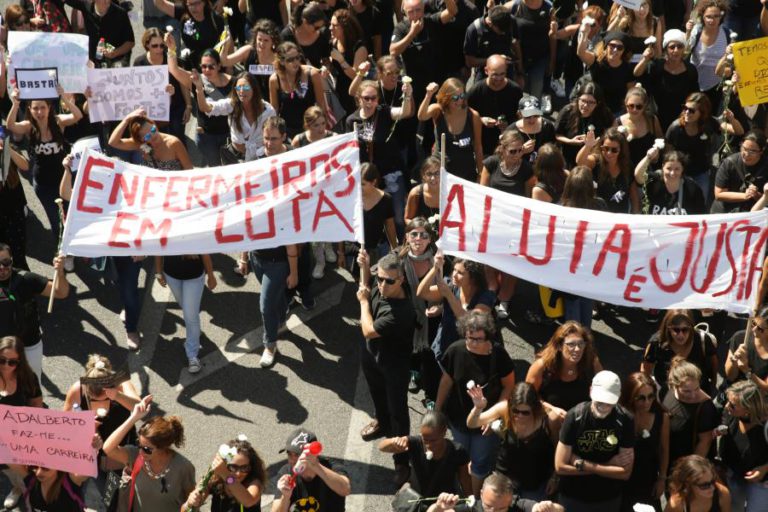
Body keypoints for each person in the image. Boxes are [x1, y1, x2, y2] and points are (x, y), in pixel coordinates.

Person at [236, 117, 299, 369]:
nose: (268, 143)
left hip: (280, 255)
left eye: (273, 138)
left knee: (264, 305)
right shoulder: (258, 165)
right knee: (275, 297)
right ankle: (281, 317)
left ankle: (269, 344)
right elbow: (247, 220)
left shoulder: (296, 162)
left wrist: (293, 270)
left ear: (283, 137)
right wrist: (243, 256)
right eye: (265, 138)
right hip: (258, 255)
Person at [435, 310, 516, 496]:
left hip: (484, 424)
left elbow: (509, 387)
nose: (471, 342)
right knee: (461, 456)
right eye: (468, 337)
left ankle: (473, 495)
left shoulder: (499, 356)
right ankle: (463, 489)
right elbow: (446, 381)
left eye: (478, 339)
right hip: (458, 419)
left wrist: (493, 416)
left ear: (488, 337)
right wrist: (438, 409)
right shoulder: (456, 350)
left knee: (480, 461)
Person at [356, 251, 416, 486]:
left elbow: (369, 330)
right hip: (373, 356)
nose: (381, 285)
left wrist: (363, 302)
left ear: (401, 279)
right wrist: (365, 266)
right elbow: (366, 284)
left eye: (388, 281)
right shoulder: (382, 286)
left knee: (398, 412)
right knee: (377, 395)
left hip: (394, 365)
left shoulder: (400, 311)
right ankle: (381, 422)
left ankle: (402, 462)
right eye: (379, 278)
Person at [6, 85, 82, 242]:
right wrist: (15, 104)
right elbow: (11, 126)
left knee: (72, 214)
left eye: (42, 108)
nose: (39, 112)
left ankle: (77, 244)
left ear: (49, 108)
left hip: (64, 180)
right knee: (56, 220)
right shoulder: (28, 126)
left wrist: (65, 98)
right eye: (35, 108)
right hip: (43, 184)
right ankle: (64, 250)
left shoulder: (58, 121)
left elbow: (77, 116)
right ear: (30, 109)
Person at [554, 370, 635, 512]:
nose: (603, 406)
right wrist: (608, 464)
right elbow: (560, 466)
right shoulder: (575, 416)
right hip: (573, 496)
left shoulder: (625, 420)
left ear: (618, 397)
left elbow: (625, 473)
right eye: (600, 400)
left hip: (607, 499)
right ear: (591, 391)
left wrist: (582, 464)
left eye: (608, 402)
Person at [103, 396, 196, 512]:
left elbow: (193, 502)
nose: (141, 452)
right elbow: (108, 449)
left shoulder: (183, 467)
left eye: (147, 449)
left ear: (162, 447)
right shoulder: (135, 456)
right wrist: (133, 418)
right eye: (139, 444)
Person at [345, 79, 414, 237]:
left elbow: (404, 112)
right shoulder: (352, 120)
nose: (370, 102)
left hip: (390, 171)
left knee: (398, 217)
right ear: (359, 98)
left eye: (374, 98)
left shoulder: (383, 112)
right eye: (366, 98)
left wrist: (407, 96)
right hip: (367, 176)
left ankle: (403, 248)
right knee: (372, 217)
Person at [467, 382, 557, 501]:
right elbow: (472, 423)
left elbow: (559, 448)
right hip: (506, 475)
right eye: (515, 411)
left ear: (535, 408)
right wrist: (478, 408)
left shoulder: (549, 419)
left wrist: (555, 477)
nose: (519, 416)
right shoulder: (504, 409)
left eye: (525, 412)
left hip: (535, 480)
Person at [480, 129, 536, 320]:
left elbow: (530, 199)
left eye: (521, 150)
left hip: (515, 225)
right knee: (491, 260)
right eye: (513, 151)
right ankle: (491, 290)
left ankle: (504, 299)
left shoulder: (527, 169)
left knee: (510, 263)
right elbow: (482, 192)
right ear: (502, 150)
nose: (518, 155)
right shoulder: (491, 163)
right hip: (494, 221)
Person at [63, 354, 141, 477]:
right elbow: (65, 422)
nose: (100, 404)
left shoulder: (121, 384)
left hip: (121, 447)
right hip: (92, 450)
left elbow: (139, 407)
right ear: (86, 388)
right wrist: (84, 426)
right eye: (93, 400)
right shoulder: (78, 389)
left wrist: (118, 396)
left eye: (106, 398)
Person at [0, 243, 69, 378]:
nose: (1, 267)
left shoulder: (25, 279)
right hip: (1, 347)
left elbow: (61, 292)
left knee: (32, 383)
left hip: (29, 345)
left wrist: (60, 272)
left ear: (12, 260)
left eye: (5, 262)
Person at [378, 411, 471, 504]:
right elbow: (382, 447)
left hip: (445, 502)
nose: (429, 445)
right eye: (425, 439)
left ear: (444, 431)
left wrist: (471, 500)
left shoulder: (457, 451)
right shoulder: (415, 443)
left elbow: (465, 479)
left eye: (434, 440)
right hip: (417, 500)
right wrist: (394, 442)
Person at [417, 254, 494, 363]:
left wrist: (449, 295)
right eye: (454, 270)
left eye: (460, 273)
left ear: (473, 277)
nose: (454, 275)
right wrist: (435, 268)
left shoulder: (485, 297)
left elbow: (471, 324)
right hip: (443, 346)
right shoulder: (451, 286)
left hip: (466, 353)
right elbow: (422, 293)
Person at [526, 321, 603, 428]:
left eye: (581, 344)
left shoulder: (591, 362)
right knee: (554, 418)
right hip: (554, 421)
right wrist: (551, 409)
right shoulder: (541, 367)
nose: (577, 349)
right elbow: (528, 397)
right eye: (571, 344)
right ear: (559, 346)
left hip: (584, 417)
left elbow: (604, 388)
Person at [666, 92, 742, 202]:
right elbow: (668, 154)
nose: (687, 112)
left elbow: (738, 131)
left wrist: (732, 119)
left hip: (701, 174)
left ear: (702, 113)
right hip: (679, 173)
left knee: (700, 204)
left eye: (691, 110)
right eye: (685, 108)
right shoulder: (675, 127)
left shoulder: (709, 123)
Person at [558, 167, 607, 327]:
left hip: (568, 267)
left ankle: (574, 336)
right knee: (586, 299)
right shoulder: (599, 205)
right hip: (590, 265)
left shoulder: (560, 208)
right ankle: (585, 336)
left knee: (571, 304)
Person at [399, 218, 440, 405]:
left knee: (430, 357)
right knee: (410, 348)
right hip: (408, 315)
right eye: (413, 234)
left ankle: (431, 396)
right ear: (407, 237)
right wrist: (365, 264)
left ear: (430, 239)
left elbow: (453, 291)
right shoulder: (398, 260)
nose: (418, 238)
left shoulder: (440, 260)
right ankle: (413, 372)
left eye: (424, 235)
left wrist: (440, 307)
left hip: (433, 316)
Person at [168, 48, 233, 167]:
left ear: (219, 66)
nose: (207, 70)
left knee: (232, 168)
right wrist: (171, 49)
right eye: (203, 66)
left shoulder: (233, 82)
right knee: (215, 169)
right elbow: (174, 69)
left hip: (229, 135)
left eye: (211, 66)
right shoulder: (197, 80)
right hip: (207, 137)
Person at [0, 335, 44, 509]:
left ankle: (31, 498)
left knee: (26, 474)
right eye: (2, 360)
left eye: (12, 362)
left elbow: (37, 405)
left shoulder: (27, 378)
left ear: (20, 361)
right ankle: (17, 488)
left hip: (20, 439)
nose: (5, 366)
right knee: (9, 471)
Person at [389, 0, 458, 110]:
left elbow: (452, 12)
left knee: (437, 115)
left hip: (437, 82)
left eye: (418, 10)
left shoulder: (431, 20)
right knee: (415, 120)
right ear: (405, 12)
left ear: (423, 9)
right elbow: (393, 51)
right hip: (415, 84)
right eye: (411, 12)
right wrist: (412, 33)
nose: (415, 15)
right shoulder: (401, 28)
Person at [194, 70, 277, 161]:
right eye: (238, 88)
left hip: (261, 157)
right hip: (235, 158)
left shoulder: (268, 111)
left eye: (245, 87)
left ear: (254, 89)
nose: (241, 91)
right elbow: (206, 108)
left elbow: (273, 137)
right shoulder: (232, 104)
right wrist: (199, 88)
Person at [155, 254, 217, 373]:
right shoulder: (165, 233)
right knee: (186, 308)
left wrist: (211, 275)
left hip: (194, 276)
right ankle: (195, 332)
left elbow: (205, 252)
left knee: (190, 315)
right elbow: (159, 248)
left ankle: (192, 355)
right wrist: (158, 272)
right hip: (171, 275)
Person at [620, 372, 670, 512]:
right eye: (641, 398)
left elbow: (663, 449)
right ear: (630, 396)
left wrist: (662, 479)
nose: (647, 402)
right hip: (622, 478)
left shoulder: (661, 417)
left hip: (647, 478)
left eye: (651, 396)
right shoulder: (620, 415)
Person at [418, 78, 483, 183]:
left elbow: (478, 147)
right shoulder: (438, 110)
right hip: (441, 171)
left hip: (465, 172)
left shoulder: (473, 116)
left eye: (462, 96)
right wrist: (428, 95)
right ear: (446, 98)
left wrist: (480, 174)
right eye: (455, 97)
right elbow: (422, 116)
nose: (459, 101)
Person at [633, 29, 699, 131]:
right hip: (657, 118)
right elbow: (637, 74)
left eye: (679, 46)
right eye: (672, 47)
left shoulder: (690, 70)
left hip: (681, 118)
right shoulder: (656, 66)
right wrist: (645, 59)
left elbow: (694, 95)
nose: (676, 50)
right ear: (666, 49)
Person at [642, 309, 718, 397]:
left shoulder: (703, 340)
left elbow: (713, 362)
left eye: (685, 329)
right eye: (676, 330)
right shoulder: (657, 342)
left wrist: (714, 382)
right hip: (669, 392)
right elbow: (646, 367)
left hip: (697, 391)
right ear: (668, 328)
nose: (680, 335)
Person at [272, 428, 351, 512]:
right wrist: (285, 496)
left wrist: (316, 466)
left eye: (297, 454)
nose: (292, 460)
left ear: (314, 454)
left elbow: (345, 489)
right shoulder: (286, 473)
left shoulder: (332, 467)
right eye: (289, 454)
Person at [719, 380, 768, 512]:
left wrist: (765, 468)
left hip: (761, 482)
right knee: (734, 508)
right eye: (727, 401)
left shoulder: (765, 426)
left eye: (733, 405)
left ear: (749, 408)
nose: (727, 406)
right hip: (733, 474)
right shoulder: (730, 413)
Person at [134, 28, 190, 143]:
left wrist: (188, 106)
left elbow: (183, 83)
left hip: (176, 106)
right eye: (155, 46)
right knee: (157, 141)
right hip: (153, 110)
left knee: (178, 139)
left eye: (161, 45)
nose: (159, 49)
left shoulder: (171, 59)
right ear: (147, 44)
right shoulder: (139, 62)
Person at [184, 436, 266, 512]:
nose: (238, 473)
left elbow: (248, 501)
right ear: (224, 465)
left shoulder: (254, 482)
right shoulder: (215, 478)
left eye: (244, 468)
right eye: (233, 468)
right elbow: (185, 509)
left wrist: (226, 475)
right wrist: (190, 503)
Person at [662, 358, 718, 468]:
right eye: (686, 391)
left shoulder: (705, 407)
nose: (693, 395)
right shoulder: (667, 392)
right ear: (674, 385)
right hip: (668, 455)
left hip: (686, 464)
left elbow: (705, 442)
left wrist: (689, 469)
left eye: (697, 388)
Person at [466, 54, 523, 157]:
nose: (499, 78)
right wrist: (481, 120)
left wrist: (509, 125)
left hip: (508, 147)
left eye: (502, 74)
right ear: (486, 71)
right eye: (495, 74)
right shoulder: (476, 90)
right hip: (483, 144)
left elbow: (521, 117)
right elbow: (464, 112)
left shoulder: (515, 90)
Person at [268, 42, 328, 139]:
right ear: (282, 62)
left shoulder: (311, 74)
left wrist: (320, 129)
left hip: (310, 129)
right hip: (287, 131)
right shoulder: (274, 80)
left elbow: (321, 106)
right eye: (290, 60)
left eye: (297, 57)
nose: (296, 62)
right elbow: (274, 110)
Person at [577, 126, 639, 213]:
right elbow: (580, 163)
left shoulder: (627, 166)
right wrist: (588, 146)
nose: (609, 153)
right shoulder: (596, 161)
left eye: (614, 150)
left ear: (621, 150)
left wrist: (634, 215)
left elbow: (634, 195)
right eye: (605, 148)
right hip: (599, 216)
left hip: (620, 218)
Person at [426, 473, 563, 512]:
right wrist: (438, 507)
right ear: (480, 494)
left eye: (500, 509)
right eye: (489, 506)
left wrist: (550, 508)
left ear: (510, 501)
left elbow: (559, 510)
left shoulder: (517, 506)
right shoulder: (471, 508)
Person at [108, 109, 193, 171]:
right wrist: (127, 119)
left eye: (153, 130)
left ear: (154, 124)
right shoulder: (141, 145)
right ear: (141, 140)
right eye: (148, 136)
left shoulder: (173, 143)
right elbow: (113, 142)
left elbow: (189, 169)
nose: (153, 135)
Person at [554, 81, 614, 168]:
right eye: (583, 100)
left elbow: (610, 133)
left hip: (592, 160)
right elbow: (556, 134)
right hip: (568, 159)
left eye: (591, 102)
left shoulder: (604, 114)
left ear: (598, 103)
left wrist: (596, 142)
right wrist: (570, 141)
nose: (585, 105)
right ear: (578, 98)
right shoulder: (568, 111)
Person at [152, 0, 224, 70]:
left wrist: (228, 70)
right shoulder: (184, 13)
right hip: (192, 65)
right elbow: (161, 4)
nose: (193, 8)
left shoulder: (215, 18)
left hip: (212, 66)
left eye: (197, 3)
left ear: (204, 2)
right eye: (190, 4)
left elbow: (228, 42)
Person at [635, 148, 707, 215]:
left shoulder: (693, 189)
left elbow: (701, 217)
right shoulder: (654, 181)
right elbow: (638, 176)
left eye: (677, 169)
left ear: (682, 169)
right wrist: (648, 157)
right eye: (669, 168)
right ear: (663, 167)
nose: (672, 173)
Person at [686, 0, 730, 111]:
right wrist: (687, 33)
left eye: (716, 16)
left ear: (721, 17)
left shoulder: (727, 34)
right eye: (708, 16)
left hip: (717, 86)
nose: (712, 20)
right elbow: (685, 52)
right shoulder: (696, 31)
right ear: (702, 17)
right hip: (695, 83)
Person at [577, 30, 634, 114]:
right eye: (612, 45)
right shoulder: (596, 60)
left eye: (620, 48)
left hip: (615, 111)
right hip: (592, 109)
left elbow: (630, 91)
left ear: (624, 51)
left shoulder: (627, 68)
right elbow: (581, 53)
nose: (615, 50)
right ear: (606, 46)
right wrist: (585, 33)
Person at [219, 18, 280, 97]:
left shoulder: (278, 57)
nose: (262, 43)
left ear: (273, 42)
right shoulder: (248, 51)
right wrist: (225, 46)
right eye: (259, 39)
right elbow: (224, 62)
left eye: (266, 40)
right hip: (250, 98)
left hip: (271, 98)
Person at [64, 0, 135, 67]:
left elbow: (130, 42)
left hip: (115, 62)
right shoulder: (86, 6)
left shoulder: (121, 14)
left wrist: (115, 53)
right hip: (93, 62)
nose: (106, 1)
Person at [712, 129, 768, 213]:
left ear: (761, 151)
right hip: (725, 212)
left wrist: (756, 195)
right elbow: (719, 194)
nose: (746, 154)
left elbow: (765, 198)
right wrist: (745, 195)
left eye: (752, 151)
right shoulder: (729, 163)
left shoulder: (765, 166)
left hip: (751, 214)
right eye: (744, 148)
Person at [463, 8, 517, 86]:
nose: (504, 32)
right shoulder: (474, 30)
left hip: (508, 70)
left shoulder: (510, 21)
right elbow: (469, 62)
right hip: (484, 72)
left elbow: (516, 43)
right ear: (490, 23)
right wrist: (497, 60)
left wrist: (520, 72)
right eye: (501, 30)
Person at [328, 9, 368, 115]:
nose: (330, 28)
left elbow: (355, 76)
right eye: (330, 24)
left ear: (344, 28)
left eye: (334, 25)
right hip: (339, 92)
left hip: (353, 94)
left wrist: (341, 60)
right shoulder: (334, 42)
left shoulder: (359, 48)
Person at [724, 305, 768, 392]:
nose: (754, 329)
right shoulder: (740, 337)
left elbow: (766, 389)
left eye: (760, 329)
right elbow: (730, 376)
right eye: (754, 323)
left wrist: (747, 371)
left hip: (755, 401)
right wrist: (735, 361)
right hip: (733, 393)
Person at [665, 455, 731, 512]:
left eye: (713, 481)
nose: (712, 488)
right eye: (705, 485)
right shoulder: (677, 504)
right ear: (688, 484)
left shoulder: (722, 494)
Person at [616, 86, 662, 167]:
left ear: (645, 106)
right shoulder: (618, 122)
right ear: (625, 104)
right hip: (627, 168)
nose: (634, 109)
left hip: (650, 167)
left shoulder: (652, 120)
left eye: (639, 106)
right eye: (631, 106)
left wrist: (657, 153)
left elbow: (660, 140)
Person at [16, 464, 92, 512]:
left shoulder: (72, 480)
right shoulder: (32, 479)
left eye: (45, 467)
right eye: (34, 466)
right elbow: (7, 455)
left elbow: (88, 465)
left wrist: (93, 448)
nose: (38, 473)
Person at [279, 2, 330, 69]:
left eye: (322, 27)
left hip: (316, 77)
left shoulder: (322, 35)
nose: (319, 30)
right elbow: (282, 61)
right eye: (316, 27)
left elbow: (326, 59)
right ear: (305, 22)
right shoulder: (287, 35)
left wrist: (325, 67)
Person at [405, 157, 440, 226]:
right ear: (423, 175)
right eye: (429, 174)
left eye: (437, 173)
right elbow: (408, 218)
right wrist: (421, 230)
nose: (433, 178)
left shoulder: (453, 192)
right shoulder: (416, 193)